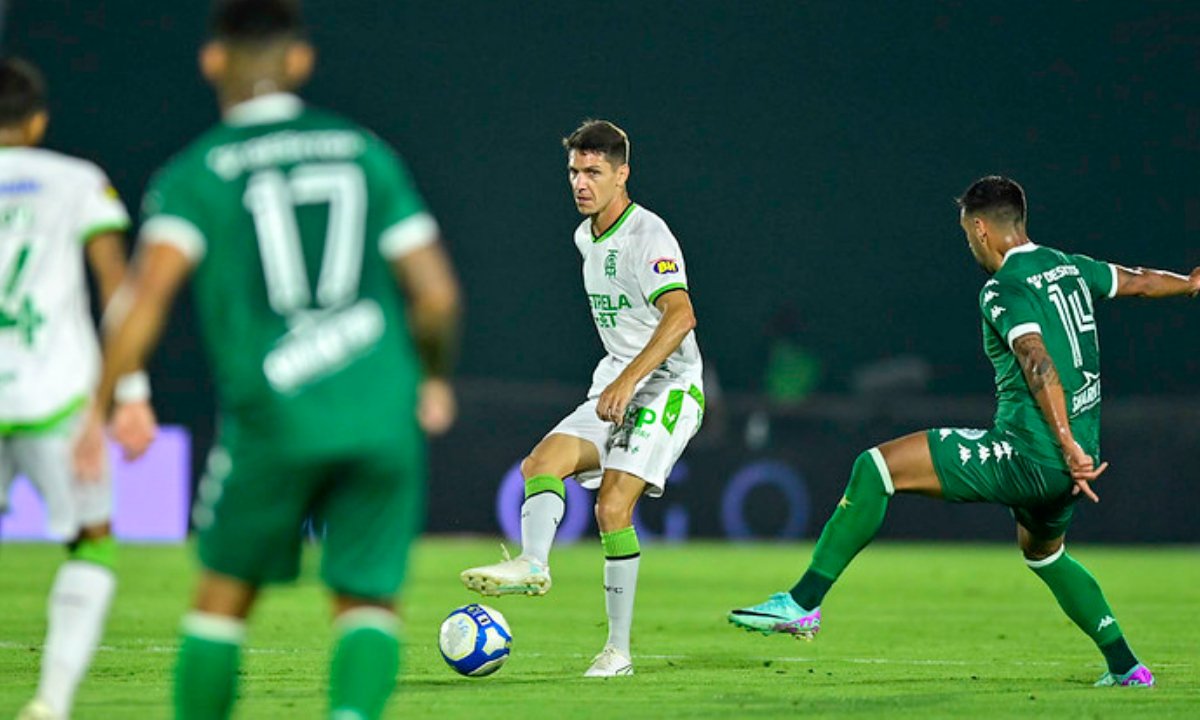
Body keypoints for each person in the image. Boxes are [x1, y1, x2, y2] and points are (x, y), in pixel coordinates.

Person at [74, 1, 461, 718]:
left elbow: (144, 298)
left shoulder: (197, 172)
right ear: (300, 60)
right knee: (367, 600)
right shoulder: (365, 152)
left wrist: (98, 407)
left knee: (222, 599)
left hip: (274, 418)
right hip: (380, 414)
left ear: (213, 60)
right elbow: (436, 295)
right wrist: (432, 378)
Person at [728, 175, 1200, 688]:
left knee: (876, 468)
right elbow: (1140, 280)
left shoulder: (1004, 288)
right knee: (1045, 554)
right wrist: (1191, 283)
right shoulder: (1069, 267)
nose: (969, 244)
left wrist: (1064, 443)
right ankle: (1126, 666)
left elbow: (1036, 360)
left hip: (1034, 454)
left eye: (966, 233)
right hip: (1077, 461)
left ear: (980, 229)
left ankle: (802, 603)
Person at [460, 119, 704, 677]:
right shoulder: (584, 236)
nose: (580, 183)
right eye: (574, 171)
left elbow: (682, 315)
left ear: (623, 174)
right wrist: (619, 379)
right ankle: (533, 563)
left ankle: (617, 651)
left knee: (612, 507)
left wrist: (629, 380)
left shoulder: (649, 236)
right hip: (616, 379)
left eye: (593, 172)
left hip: (668, 385)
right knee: (540, 463)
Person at [0, 57, 156, 720]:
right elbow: (118, 287)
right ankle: (51, 702)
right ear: (37, 121)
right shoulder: (78, 182)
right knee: (92, 539)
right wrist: (131, 394)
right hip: (56, 395)